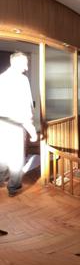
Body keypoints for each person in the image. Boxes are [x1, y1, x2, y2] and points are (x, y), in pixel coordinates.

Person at [0, 52, 38, 197]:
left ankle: (0, 179)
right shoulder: (22, 80)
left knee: (2, 154)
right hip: (16, 123)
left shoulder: (1, 78)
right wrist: (31, 128)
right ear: (15, 62)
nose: (27, 68)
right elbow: (23, 107)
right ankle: (13, 187)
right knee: (16, 158)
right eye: (25, 64)